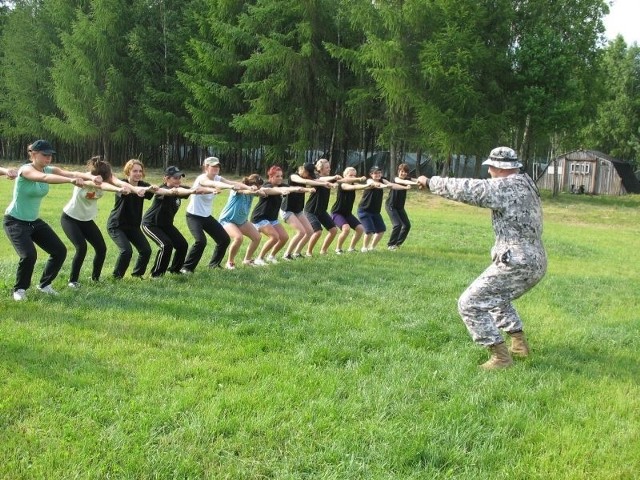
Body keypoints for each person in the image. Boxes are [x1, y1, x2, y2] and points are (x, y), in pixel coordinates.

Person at [417, 146, 547, 370]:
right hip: (534, 259)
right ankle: (519, 344)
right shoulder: (526, 182)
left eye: (491, 168)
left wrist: (431, 182)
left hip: (517, 261)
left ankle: (500, 357)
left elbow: (470, 189)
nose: (489, 172)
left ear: (499, 168)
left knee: (470, 303)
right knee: (496, 297)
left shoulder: (506, 186)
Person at [3, 140, 102, 301]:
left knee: (59, 250)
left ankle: (44, 285)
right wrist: (70, 181)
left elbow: (71, 173)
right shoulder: (26, 170)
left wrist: (91, 176)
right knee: (29, 255)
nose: (48, 159)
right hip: (15, 221)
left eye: (50, 155)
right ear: (33, 154)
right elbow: (44, 178)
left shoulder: (48, 168)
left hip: (34, 221)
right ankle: (20, 290)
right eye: (44, 155)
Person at [60, 156, 144, 288]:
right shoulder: (87, 178)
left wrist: (135, 189)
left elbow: (121, 182)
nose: (107, 179)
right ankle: (73, 281)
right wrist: (118, 190)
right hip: (70, 218)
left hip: (87, 220)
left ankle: (95, 278)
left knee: (101, 248)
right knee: (81, 248)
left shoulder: (108, 177)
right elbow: (101, 185)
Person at [181, 157, 252, 273]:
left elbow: (233, 182)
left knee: (224, 239)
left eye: (217, 166)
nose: (216, 168)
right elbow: (211, 183)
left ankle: (214, 265)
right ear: (206, 167)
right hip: (194, 216)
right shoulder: (202, 178)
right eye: (213, 166)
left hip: (206, 216)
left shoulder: (218, 178)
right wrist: (230, 187)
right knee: (201, 241)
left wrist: (250, 188)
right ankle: (186, 268)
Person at [142, 166, 207, 278]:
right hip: (151, 224)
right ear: (166, 178)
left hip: (166, 225)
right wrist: (191, 191)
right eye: (175, 178)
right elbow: (170, 192)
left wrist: (210, 190)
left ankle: (175, 270)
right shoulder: (162, 190)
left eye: (180, 178)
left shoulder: (179, 188)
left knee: (182, 245)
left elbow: (189, 190)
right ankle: (156, 275)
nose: (179, 180)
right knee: (166, 245)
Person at [107, 159, 158, 279]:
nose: (138, 173)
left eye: (140, 171)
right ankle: (117, 277)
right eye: (135, 171)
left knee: (146, 250)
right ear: (128, 172)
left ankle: (137, 275)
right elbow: (126, 190)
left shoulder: (143, 185)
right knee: (126, 251)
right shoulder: (123, 184)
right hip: (117, 225)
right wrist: (145, 189)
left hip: (133, 226)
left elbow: (153, 191)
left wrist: (153, 188)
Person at [251, 165, 308, 265]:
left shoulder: (282, 185)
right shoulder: (267, 185)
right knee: (274, 237)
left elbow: (292, 188)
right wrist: (280, 190)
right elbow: (270, 190)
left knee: (284, 237)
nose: (280, 178)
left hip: (272, 218)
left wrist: (306, 189)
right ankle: (259, 258)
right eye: (277, 176)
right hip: (260, 217)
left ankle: (271, 256)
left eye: (281, 176)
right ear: (271, 177)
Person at [218, 173, 270, 269]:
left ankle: (247, 260)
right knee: (238, 238)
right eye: (259, 186)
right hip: (227, 220)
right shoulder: (237, 190)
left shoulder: (255, 191)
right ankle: (230, 262)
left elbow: (264, 192)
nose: (259, 188)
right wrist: (251, 190)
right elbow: (244, 191)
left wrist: (259, 191)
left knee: (257, 237)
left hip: (241, 221)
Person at [279, 162, 325, 261]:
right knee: (301, 232)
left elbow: (317, 180)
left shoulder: (305, 178)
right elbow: (300, 186)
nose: (309, 177)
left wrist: (327, 182)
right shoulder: (293, 176)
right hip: (287, 210)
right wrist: (309, 188)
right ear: (304, 171)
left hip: (297, 210)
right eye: (308, 174)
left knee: (310, 231)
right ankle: (286, 255)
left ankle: (297, 253)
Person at [357, 166, 409, 252]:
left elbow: (392, 185)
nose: (378, 175)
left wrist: (404, 187)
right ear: (371, 174)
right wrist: (386, 185)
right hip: (365, 210)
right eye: (375, 173)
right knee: (369, 231)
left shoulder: (382, 180)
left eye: (379, 173)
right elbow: (376, 185)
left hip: (375, 211)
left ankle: (372, 247)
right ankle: (364, 248)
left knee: (381, 230)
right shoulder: (369, 180)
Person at [303, 158, 345, 256]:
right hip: (311, 210)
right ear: (320, 169)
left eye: (329, 167)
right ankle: (308, 252)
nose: (329, 169)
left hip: (321, 210)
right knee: (318, 231)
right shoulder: (316, 178)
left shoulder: (329, 178)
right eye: (327, 168)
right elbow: (322, 180)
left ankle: (323, 250)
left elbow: (341, 180)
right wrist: (333, 178)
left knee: (333, 230)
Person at [330, 167, 370, 254]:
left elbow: (357, 186)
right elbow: (353, 187)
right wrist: (364, 184)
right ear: (345, 176)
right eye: (350, 175)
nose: (352, 177)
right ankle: (338, 249)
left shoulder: (353, 184)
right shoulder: (343, 185)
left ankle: (351, 248)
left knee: (360, 229)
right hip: (337, 212)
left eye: (354, 175)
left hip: (347, 213)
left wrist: (368, 185)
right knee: (346, 229)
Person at [386, 163, 419, 250]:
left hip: (400, 207)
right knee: (397, 225)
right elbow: (403, 182)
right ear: (398, 171)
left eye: (405, 172)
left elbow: (416, 179)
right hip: (391, 206)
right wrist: (414, 183)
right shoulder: (395, 178)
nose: (403, 173)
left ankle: (397, 244)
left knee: (407, 225)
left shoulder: (407, 178)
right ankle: (390, 245)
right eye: (402, 171)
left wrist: (421, 182)